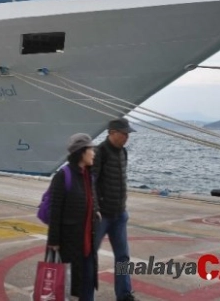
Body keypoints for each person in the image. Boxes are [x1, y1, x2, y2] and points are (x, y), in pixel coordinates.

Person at [47, 133, 99, 301]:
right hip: (68, 243)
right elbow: (55, 211)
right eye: (91, 149)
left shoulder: (88, 175)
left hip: (87, 241)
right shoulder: (63, 176)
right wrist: (53, 241)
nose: (94, 153)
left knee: (87, 281)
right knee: (66, 286)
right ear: (82, 152)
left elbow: (91, 200)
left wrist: (96, 212)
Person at [93, 118, 137, 301]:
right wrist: (95, 208)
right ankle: (85, 295)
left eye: (128, 134)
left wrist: (123, 205)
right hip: (102, 216)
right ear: (111, 132)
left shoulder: (123, 152)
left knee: (123, 256)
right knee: (89, 256)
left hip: (119, 214)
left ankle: (124, 294)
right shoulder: (99, 152)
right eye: (123, 133)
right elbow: (92, 182)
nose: (126, 137)